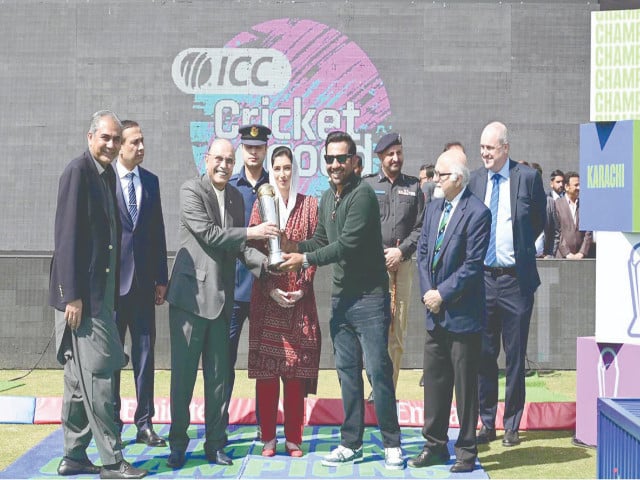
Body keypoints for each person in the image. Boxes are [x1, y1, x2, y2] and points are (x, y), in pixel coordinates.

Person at [279, 131, 404, 470]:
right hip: (341, 300)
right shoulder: (325, 198)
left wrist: (303, 260)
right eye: (330, 159)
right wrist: (292, 245)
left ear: (354, 162)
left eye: (340, 158)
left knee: (378, 371)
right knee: (347, 373)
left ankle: (392, 442)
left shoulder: (363, 194)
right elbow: (321, 238)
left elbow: (345, 245)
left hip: (369, 298)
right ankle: (352, 443)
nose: (334, 164)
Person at [164, 138, 279, 469]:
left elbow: (240, 249)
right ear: (207, 158)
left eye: (229, 161)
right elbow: (212, 234)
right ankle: (178, 444)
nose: (224, 166)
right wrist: (253, 231)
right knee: (183, 380)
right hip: (189, 301)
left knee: (218, 379)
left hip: (222, 299)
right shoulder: (191, 191)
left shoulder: (234, 197)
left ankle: (215, 443)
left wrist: (271, 264)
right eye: (219, 159)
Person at [49, 110, 147, 479]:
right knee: (103, 376)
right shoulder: (78, 172)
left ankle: (73, 456)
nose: (110, 144)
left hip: (98, 297)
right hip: (82, 302)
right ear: (90, 137)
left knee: (78, 381)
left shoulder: (104, 177)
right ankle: (112, 460)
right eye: (105, 138)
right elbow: (67, 237)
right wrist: (72, 296)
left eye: (115, 139)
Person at [409, 148, 490, 473]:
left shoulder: (477, 212)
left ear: (457, 178)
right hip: (434, 314)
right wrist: (429, 293)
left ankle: (466, 452)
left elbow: (472, 266)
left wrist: (442, 294)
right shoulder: (433, 208)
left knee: (465, 388)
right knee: (436, 382)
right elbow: (424, 251)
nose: (434, 181)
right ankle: (435, 445)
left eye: (440, 176)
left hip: (462, 316)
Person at [468, 121, 546, 448]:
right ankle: (487, 422)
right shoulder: (474, 180)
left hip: (516, 281)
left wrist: (523, 251)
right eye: (482, 147)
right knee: (485, 354)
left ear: (506, 148)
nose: (485, 153)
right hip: (483, 280)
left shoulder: (527, 178)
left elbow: (541, 219)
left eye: (491, 148)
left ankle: (512, 423)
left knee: (515, 356)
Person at [247, 146, 321, 458]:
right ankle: (268, 439)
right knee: (267, 374)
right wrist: (269, 289)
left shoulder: (310, 205)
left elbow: (317, 246)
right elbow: (251, 249)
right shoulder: (260, 205)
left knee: (295, 374)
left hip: (300, 300)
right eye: (276, 168)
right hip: (267, 299)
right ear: (271, 170)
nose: (281, 174)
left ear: (294, 170)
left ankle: (293, 439)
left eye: (287, 168)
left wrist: (304, 287)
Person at [112, 120, 168, 448]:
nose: (141, 147)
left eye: (143, 141)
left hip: (145, 286)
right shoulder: (105, 181)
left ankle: (145, 423)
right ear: (120, 145)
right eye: (135, 142)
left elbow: (157, 232)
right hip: (113, 289)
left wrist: (162, 278)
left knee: (145, 356)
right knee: (113, 358)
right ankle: (112, 422)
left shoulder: (151, 182)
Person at [362, 132, 424, 400]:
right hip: (372, 268)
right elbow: (360, 225)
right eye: (390, 154)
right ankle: (376, 385)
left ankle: (388, 392)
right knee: (372, 332)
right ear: (379, 157)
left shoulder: (414, 187)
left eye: (399, 152)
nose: (396, 158)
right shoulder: (365, 186)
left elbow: (421, 228)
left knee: (396, 332)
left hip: (403, 266)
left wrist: (400, 251)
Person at [227, 124, 272, 405]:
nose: (253, 152)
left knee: (265, 363)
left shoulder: (276, 186)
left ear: (266, 149)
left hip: (266, 287)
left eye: (258, 147)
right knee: (224, 361)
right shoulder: (230, 187)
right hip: (232, 289)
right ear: (241, 149)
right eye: (248, 147)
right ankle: (218, 421)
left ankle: (263, 423)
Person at [553, 171, 593, 259]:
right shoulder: (557, 205)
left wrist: (582, 252)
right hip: (562, 258)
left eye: (580, 185)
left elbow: (588, 232)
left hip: (582, 258)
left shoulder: (585, 205)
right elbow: (556, 232)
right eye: (576, 185)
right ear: (567, 187)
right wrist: (567, 253)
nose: (579, 188)